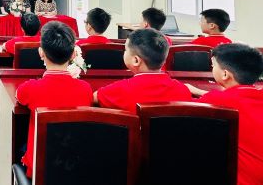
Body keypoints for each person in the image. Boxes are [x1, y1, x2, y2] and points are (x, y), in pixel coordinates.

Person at [16, 21, 93, 178]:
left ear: (41, 53)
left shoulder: (31, 88)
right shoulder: (85, 89)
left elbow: (19, 95)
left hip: (38, 171)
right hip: (73, 167)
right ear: (73, 55)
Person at [186, 44, 263, 185]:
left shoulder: (215, 100)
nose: (212, 68)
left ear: (225, 74)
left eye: (213, 65)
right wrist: (201, 92)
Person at [94, 28, 191, 114]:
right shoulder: (182, 91)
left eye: (125, 50)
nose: (124, 52)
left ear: (136, 60)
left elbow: (95, 98)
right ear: (164, 60)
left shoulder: (118, 90)